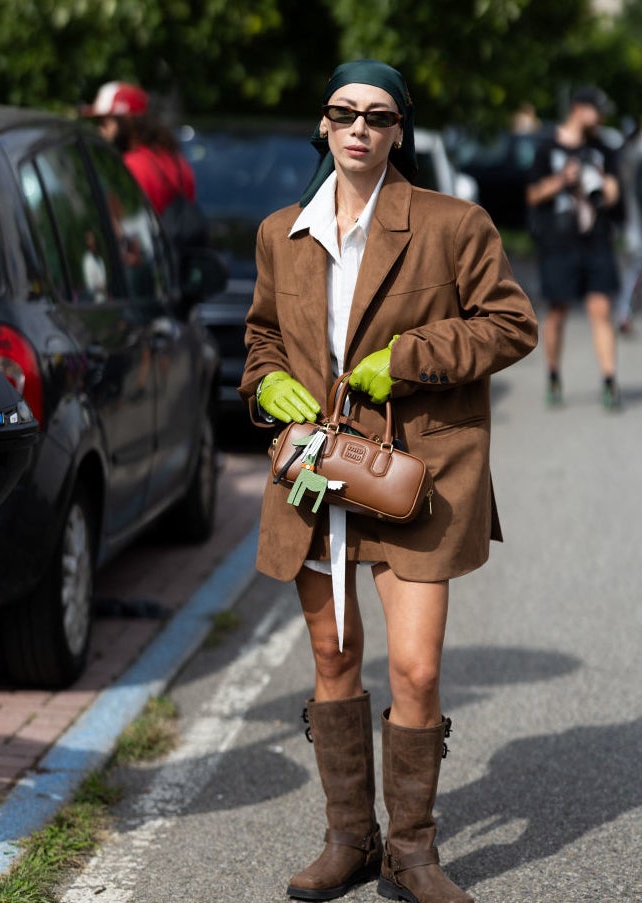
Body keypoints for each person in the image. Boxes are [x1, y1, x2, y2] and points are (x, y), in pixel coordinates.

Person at [239, 59, 537, 903]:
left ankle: (412, 850)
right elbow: (261, 339)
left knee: (414, 669)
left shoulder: (451, 223)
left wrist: (402, 362)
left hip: (415, 472)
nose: (358, 127)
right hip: (314, 473)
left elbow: (511, 324)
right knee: (333, 654)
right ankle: (349, 839)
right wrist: (265, 384)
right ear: (324, 127)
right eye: (343, 113)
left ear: (399, 130)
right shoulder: (280, 231)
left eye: (376, 115)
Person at [526, 85, 622, 410]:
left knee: (601, 310)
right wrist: (562, 180)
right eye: (597, 109)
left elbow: (613, 193)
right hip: (558, 241)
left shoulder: (602, 149)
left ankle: (609, 381)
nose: (602, 116)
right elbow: (532, 195)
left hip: (596, 240)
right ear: (580, 109)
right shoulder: (547, 147)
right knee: (557, 311)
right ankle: (553, 376)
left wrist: (604, 185)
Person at [81, 81, 196, 217]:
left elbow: (122, 225)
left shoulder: (131, 166)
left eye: (104, 121)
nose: (99, 129)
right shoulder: (178, 161)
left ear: (126, 120)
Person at [615, 118, 642, 335]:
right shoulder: (633, 151)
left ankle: (626, 312)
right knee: (633, 267)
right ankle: (623, 312)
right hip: (635, 220)